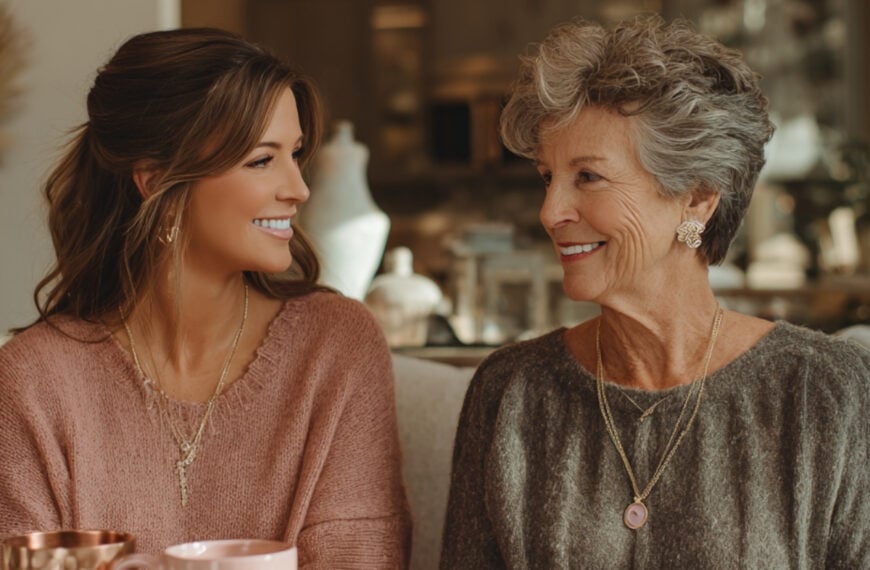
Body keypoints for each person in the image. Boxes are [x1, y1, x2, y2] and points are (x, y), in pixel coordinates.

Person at [441, 15, 869, 568]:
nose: (550, 212)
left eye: (588, 176)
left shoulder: (824, 392)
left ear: (697, 199)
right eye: (548, 177)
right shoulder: (510, 393)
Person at [0, 28, 411, 566]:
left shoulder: (335, 347)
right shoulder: (34, 380)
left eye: (295, 154)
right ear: (156, 181)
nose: (298, 188)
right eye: (262, 160)